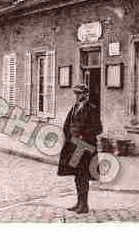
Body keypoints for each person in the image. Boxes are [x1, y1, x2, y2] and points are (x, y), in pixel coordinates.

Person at [58, 84, 102, 214]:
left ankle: (84, 205)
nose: (77, 96)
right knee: (77, 175)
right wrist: (68, 137)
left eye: (79, 94)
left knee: (83, 175)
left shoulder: (92, 109)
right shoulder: (74, 108)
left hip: (85, 147)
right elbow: (67, 125)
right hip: (74, 146)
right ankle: (79, 203)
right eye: (75, 94)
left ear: (86, 95)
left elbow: (98, 128)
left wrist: (83, 136)